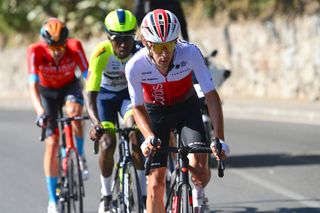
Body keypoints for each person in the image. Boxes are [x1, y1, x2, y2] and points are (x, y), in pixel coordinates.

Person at [125, 9, 230, 213]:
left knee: (200, 169)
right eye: (159, 46)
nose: (165, 53)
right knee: (156, 183)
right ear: (147, 43)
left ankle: (198, 195)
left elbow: (211, 95)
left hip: (186, 110)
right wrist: (147, 137)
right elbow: (137, 107)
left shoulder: (190, 53)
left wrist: (220, 138)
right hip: (155, 113)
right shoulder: (135, 66)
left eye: (170, 45)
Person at [84, 9, 146, 213]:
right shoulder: (101, 53)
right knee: (108, 142)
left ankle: (143, 196)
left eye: (127, 38)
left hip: (128, 97)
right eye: (117, 39)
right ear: (109, 39)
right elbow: (90, 93)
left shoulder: (139, 51)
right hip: (105, 98)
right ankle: (106, 195)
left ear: (134, 37)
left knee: (135, 136)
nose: (122, 45)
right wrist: (95, 123)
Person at [27, 18, 89, 213]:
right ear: (44, 43)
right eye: (52, 47)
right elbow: (32, 87)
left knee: (74, 114)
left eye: (61, 47)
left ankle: (79, 155)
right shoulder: (35, 51)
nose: (57, 52)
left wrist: (92, 102)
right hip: (47, 93)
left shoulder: (75, 46)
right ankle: (53, 200)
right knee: (52, 143)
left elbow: (89, 76)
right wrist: (41, 114)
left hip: (70, 87)